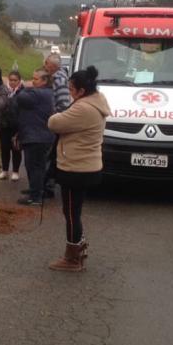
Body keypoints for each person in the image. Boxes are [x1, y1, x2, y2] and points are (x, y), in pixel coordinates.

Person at [47, 66, 110, 271]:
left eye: (72, 88)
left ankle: (73, 258)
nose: (69, 91)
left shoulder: (82, 108)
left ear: (81, 91)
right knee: (74, 211)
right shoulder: (95, 102)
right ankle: (79, 247)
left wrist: (58, 112)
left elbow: (54, 123)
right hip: (86, 165)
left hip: (76, 168)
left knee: (72, 213)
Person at [14, 68, 55, 206]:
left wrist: (24, 87)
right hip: (37, 134)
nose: (32, 81)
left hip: (37, 136)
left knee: (35, 166)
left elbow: (19, 97)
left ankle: (35, 196)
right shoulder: (44, 92)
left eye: (36, 79)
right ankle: (35, 190)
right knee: (33, 166)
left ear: (44, 81)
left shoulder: (38, 93)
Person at [43, 53, 71, 197]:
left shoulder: (58, 79)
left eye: (46, 63)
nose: (44, 66)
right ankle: (46, 186)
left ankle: (47, 188)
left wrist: (54, 118)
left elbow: (64, 104)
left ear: (53, 66)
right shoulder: (56, 77)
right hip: (54, 122)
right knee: (50, 156)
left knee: (49, 156)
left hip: (54, 124)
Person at [0, 71, 23, 181]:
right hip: (4, 125)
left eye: (15, 80)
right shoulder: (4, 91)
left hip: (17, 127)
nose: (12, 82)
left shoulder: (22, 93)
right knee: (5, 149)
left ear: (19, 81)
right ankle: (5, 170)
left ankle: (15, 171)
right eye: (10, 80)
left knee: (16, 149)